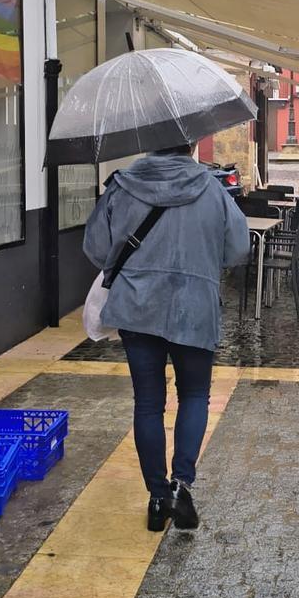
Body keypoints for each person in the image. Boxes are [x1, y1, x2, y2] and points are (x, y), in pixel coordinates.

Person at [84, 145, 251, 533]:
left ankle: (157, 498)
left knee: (148, 402)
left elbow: (94, 247)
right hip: (195, 307)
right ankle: (181, 485)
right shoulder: (211, 189)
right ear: (190, 145)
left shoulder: (121, 187)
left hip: (137, 307)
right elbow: (239, 248)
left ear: (150, 144)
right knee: (193, 395)